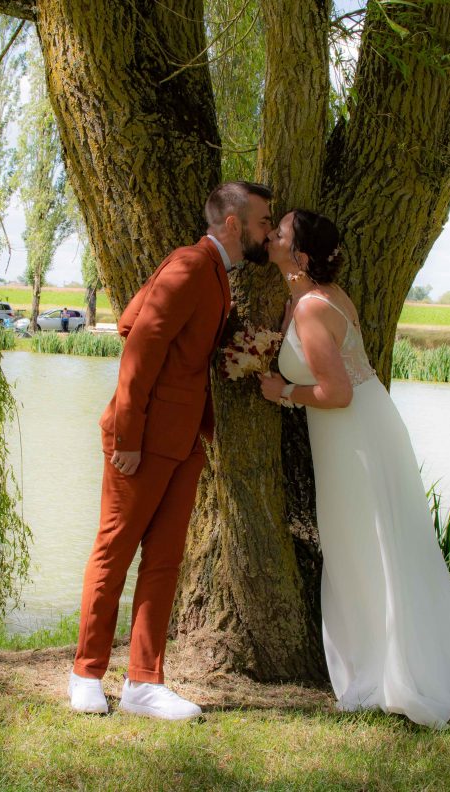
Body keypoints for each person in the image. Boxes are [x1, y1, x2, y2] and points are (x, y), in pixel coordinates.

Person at [258, 209, 450, 728]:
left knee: (364, 547)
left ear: (299, 256)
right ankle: (391, 662)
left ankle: (387, 673)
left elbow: (336, 392)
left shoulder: (312, 308)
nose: (271, 235)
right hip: (363, 428)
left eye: (279, 233)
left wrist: (283, 394)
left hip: (353, 436)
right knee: (377, 545)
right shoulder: (313, 299)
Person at [69, 181, 273, 720]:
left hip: (184, 440)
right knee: (114, 551)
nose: (267, 231)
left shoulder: (213, 273)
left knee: (163, 561)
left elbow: (134, 316)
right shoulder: (189, 265)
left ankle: (143, 683)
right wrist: (130, 436)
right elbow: (138, 344)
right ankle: (86, 673)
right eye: (262, 222)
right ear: (234, 223)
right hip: (143, 440)